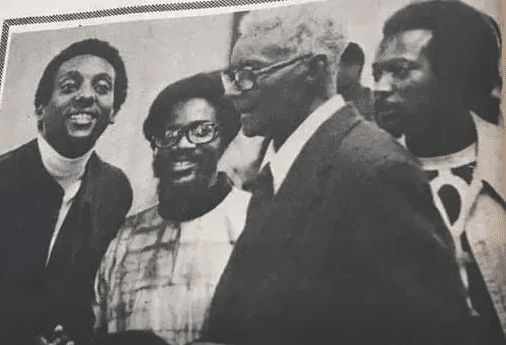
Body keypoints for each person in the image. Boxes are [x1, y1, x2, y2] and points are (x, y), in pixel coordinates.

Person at [198, 3, 475, 345]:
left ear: (314, 69)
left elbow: (436, 331)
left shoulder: (376, 170)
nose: (232, 90)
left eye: (251, 72)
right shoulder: (278, 170)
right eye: (232, 73)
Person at [372, 1, 505, 343]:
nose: (380, 87)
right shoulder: (364, 173)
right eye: (377, 73)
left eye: (400, 70)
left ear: (454, 78)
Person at [94, 72, 250, 345]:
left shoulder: (254, 220)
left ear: (223, 139)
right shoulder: (123, 239)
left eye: (202, 131)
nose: (183, 145)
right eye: (170, 134)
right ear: (155, 146)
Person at [0, 38, 133, 345]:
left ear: (113, 111)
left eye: (101, 88)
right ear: (40, 108)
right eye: (70, 85)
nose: (86, 96)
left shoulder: (115, 190)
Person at [336, 42, 375, 121]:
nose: (340, 70)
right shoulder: (329, 95)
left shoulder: (368, 98)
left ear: (359, 67)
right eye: (338, 64)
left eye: (347, 65)